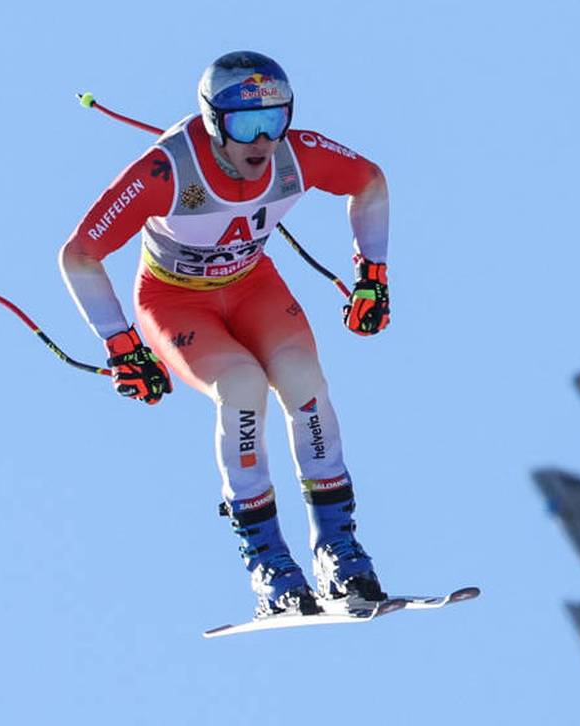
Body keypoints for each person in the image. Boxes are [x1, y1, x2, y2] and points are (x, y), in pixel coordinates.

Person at [59, 50, 391, 618]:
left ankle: (339, 551)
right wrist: (120, 344)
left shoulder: (297, 154)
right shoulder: (168, 171)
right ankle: (269, 563)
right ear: (214, 121)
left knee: (303, 381)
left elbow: (370, 183)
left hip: (251, 285)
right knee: (242, 387)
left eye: (274, 119)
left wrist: (373, 275)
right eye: (243, 124)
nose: (261, 140)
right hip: (173, 299)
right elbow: (80, 254)